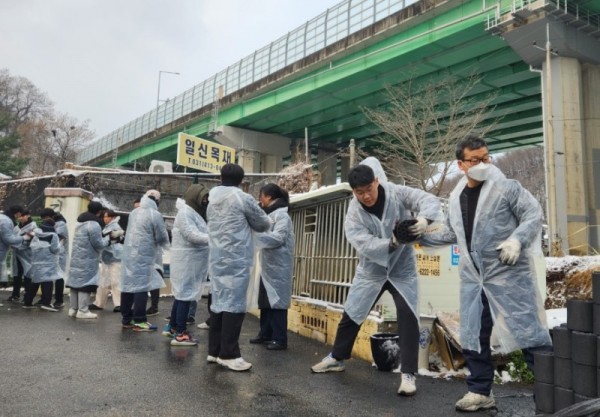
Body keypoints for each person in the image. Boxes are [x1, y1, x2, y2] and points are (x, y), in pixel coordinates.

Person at [420, 135, 552, 412]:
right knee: (473, 333)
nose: (483, 164)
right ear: (461, 164)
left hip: (509, 274)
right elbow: (452, 233)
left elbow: (532, 214)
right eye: (475, 160)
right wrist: (419, 236)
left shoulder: (506, 187)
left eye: (486, 157)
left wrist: (517, 240)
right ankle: (480, 391)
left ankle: (551, 393)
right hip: (473, 279)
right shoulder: (456, 197)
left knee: (530, 334)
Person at [310, 158, 442, 398]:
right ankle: (337, 358)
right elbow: (361, 242)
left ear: (377, 182)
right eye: (359, 192)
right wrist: (390, 243)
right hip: (372, 270)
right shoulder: (353, 214)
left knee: (408, 315)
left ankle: (408, 374)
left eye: (369, 189)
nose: (366, 196)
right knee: (352, 313)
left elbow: (428, 200)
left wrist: (424, 220)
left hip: (402, 268)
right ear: (354, 192)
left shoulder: (396, 193)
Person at [207, 163, 271, 371]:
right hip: (237, 258)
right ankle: (229, 353)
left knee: (218, 303)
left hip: (217, 258)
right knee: (234, 305)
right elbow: (263, 223)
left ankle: (214, 351)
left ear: (220, 178)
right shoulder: (242, 198)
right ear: (242, 181)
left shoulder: (212, 200)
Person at [162, 184, 209, 346]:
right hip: (187, 261)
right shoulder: (185, 213)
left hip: (190, 261)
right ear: (194, 197)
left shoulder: (192, 213)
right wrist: (214, 238)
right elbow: (192, 235)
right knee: (185, 296)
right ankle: (181, 333)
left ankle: (173, 327)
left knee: (182, 295)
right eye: (203, 198)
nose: (205, 201)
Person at [249, 183, 295, 351]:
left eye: (261, 196)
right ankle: (265, 333)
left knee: (277, 303)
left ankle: (280, 339)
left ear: (268, 196)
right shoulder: (271, 215)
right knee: (266, 301)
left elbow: (278, 238)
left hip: (279, 267)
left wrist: (258, 238)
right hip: (268, 266)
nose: (260, 200)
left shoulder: (282, 217)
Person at [120, 190, 169, 331]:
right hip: (144, 255)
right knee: (141, 287)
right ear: (157, 201)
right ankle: (140, 320)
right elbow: (162, 237)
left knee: (128, 285)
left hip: (129, 254)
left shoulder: (134, 212)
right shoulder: (155, 214)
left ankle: (126, 319)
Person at [66, 201, 111, 319]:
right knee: (86, 283)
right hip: (88, 258)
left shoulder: (79, 222)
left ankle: (73, 309)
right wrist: (108, 239)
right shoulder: (94, 224)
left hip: (77, 257)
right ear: (99, 211)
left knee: (75, 283)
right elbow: (98, 244)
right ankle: (83, 310)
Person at [26, 208, 63, 312]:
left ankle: (27, 302)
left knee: (35, 282)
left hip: (36, 262)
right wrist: (61, 244)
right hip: (48, 262)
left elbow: (33, 245)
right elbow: (55, 250)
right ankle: (46, 303)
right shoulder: (53, 235)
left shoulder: (37, 233)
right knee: (48, 282)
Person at [90, 210, 124, 312]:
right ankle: (99, 303)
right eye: (104, 217)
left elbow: (115, 243)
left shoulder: (115, 227)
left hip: (115, 258)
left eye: (107, 217)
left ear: (112, 217)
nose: (105, 219)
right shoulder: (108, 227)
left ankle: (119, 304)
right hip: (107, 258)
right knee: (103, 282)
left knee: (115, 281)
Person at [3, 206, 27, 304]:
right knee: (17, 275)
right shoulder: (14, 226)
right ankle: (15, 294)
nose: (21, 218)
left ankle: (26, 296)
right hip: (16, 255)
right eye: (20, 216)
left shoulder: (32, 227)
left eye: (23, 216)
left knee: (26, 276)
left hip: (25, 256)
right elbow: (9, 238)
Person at [52, 212, 68, 308]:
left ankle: (59, 300)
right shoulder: (58, 224)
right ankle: (53, 299)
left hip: (60, 255)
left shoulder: (61, 224)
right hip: (55, 254)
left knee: (59, 277)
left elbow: (59, 237)